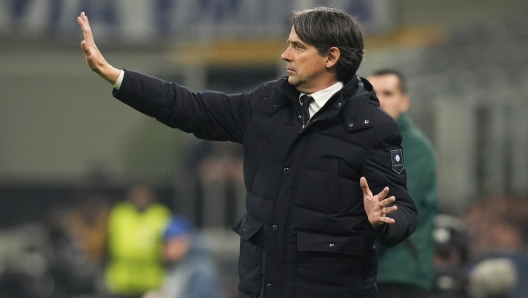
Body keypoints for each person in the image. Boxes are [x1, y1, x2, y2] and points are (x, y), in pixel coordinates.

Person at [78, 7, 418, 298]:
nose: (286, 55)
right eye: (288, 44)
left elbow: (403, 209)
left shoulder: (372, 126)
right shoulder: (265, 103)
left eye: (298, 46)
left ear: (331, 57)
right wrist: (116, 76)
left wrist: (382, 219)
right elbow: (190, 106)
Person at [368, 70, 438, 297]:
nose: (379, 100)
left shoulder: (416, 149)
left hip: (401, 276)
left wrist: (344, 254)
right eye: (372, 93)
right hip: (368, 275)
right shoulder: (363, 143)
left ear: (404, 102)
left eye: (387, 93)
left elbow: (394, 211)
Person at [104, 185, 172, 298]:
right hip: (122, 281)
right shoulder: (120, 214)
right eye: (137, 196)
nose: (141, 199)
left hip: (151, 281)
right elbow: (110, 244)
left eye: (144, 196)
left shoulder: (160, 214)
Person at [142, 216, 221, 298]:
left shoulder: (200, 270)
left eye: (168, 244)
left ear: (183, 242)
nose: (163, 250)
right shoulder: (179, 265)